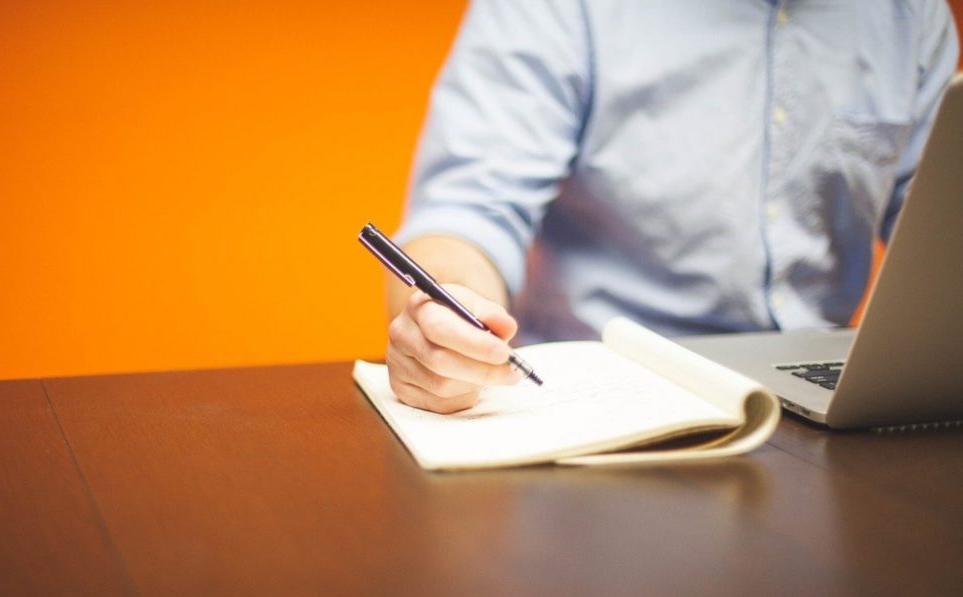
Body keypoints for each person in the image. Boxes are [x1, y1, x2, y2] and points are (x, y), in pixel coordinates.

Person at [385, 0, 959, 413]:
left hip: (836, 401)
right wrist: (448, 314)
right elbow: (469, 209)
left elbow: (940, 229)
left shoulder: (913, 14)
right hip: (602, 395)